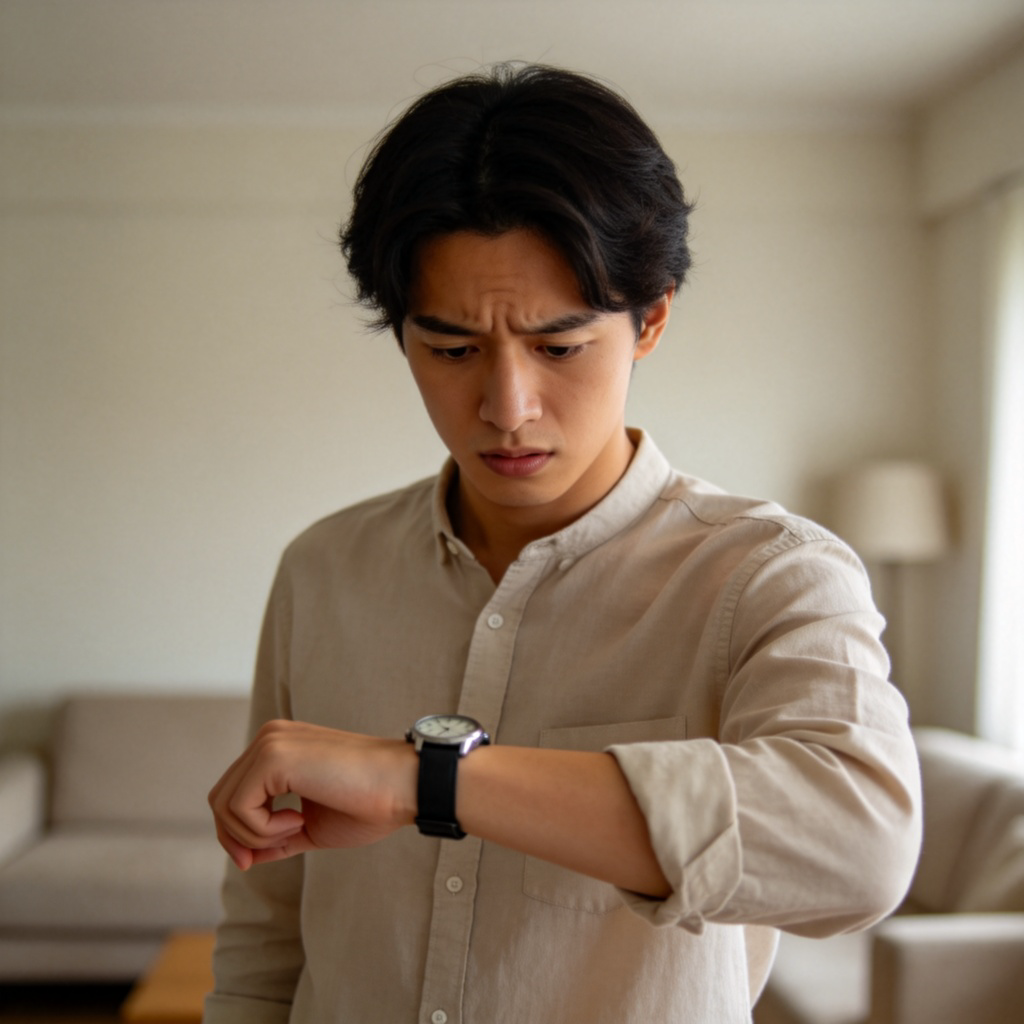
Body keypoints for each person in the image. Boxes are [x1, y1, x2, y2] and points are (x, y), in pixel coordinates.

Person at [204, 63, 921, 1024]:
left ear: (651, 319)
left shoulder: (770, 574)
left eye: (560, 347)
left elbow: (858, 848)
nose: (506, 409)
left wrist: (423, 780)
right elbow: (267, 926)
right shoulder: (324, 570)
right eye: (451, 350)